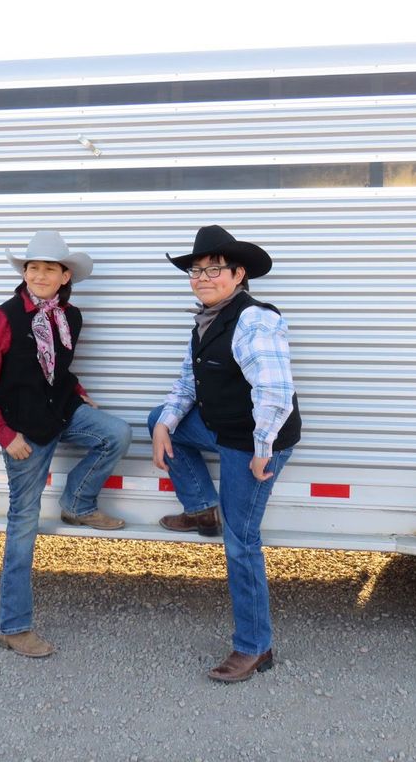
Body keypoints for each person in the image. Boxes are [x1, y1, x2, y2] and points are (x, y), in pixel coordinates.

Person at [0, 230, 131, 658]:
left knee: (116, 433)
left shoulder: (69, 317)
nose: (38, 274)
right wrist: (5, 435)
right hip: (24, 433)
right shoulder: (4, 318)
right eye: (31, 267)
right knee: (24, 523)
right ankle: (13, 627)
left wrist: (78, 393)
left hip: (59, 412)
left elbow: (57, 369)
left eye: (48, 268)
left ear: (64, 274)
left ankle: (78, 503)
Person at [148, 225, 301, 683]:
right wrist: (164, 424)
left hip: (254, 440)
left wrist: (262, 450)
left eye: (213, 270)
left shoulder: (255, 320)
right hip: (222, 427)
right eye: (196, 271)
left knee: (241, 543)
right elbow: (188, 385)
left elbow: (274, 390)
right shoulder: (205, 322)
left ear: (238, 274)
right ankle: (201, 508)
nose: (202, 278)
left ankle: (255, 647)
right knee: (159, 415)